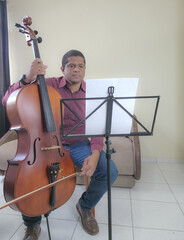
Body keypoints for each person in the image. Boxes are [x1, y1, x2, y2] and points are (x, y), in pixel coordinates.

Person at [2, 50, 118, 240]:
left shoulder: (92, 93)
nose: (76, 70)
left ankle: (85, 206)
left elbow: (98, 126)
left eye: (80, 66)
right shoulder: (45, 85)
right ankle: (32, 223)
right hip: (43, 145)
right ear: (63, 68)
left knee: (109, 171)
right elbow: (8, 100)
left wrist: (96, 153)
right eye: (71, 66)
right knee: (28, 179)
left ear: (85, 69)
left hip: (78, 145)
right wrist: (27, 78)